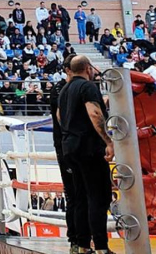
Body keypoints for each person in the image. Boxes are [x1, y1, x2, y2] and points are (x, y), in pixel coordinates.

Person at [56, 54, 114, 254]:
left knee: (81, 197)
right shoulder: (88, 87)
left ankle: (82, 245)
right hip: (88, 148)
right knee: (98, 196)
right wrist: (108, 140)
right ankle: (101, 247)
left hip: (69, 147)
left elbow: (60, 116)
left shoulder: (64, 90)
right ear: (88, 68)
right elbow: (94, 114)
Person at [50, 56, 87, 252]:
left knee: (82, 193)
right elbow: (61, 116)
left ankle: (81, 238)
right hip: (67, 144)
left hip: (73, 143)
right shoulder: (61, 89)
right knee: (75, 193)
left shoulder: (72, 88)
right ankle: (76, 239)